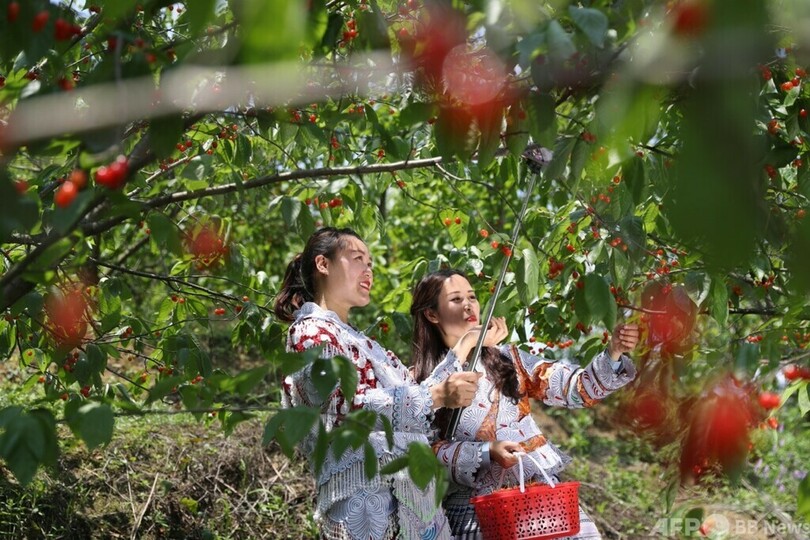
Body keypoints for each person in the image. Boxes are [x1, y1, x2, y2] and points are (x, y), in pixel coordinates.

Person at [273, 228, 482, 540]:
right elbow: (342, 406)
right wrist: (436, 396)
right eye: (358, 259)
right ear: (323, 264)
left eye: (370, 263)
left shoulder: (364, 343)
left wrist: (464, 346)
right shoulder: (310, 333)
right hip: (367, 504)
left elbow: (416, 395)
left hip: (415, 501)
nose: (368, 270)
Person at [410, 269, 640, 540]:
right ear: (432, 314)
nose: (469, 305)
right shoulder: (419, 381)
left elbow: (577, 389)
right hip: (478, 513)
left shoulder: (510, 360)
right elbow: (422, 452)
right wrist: (487, 451)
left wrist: (613, 352)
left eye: (472, 297)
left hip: (542, 502)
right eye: (456, 299)